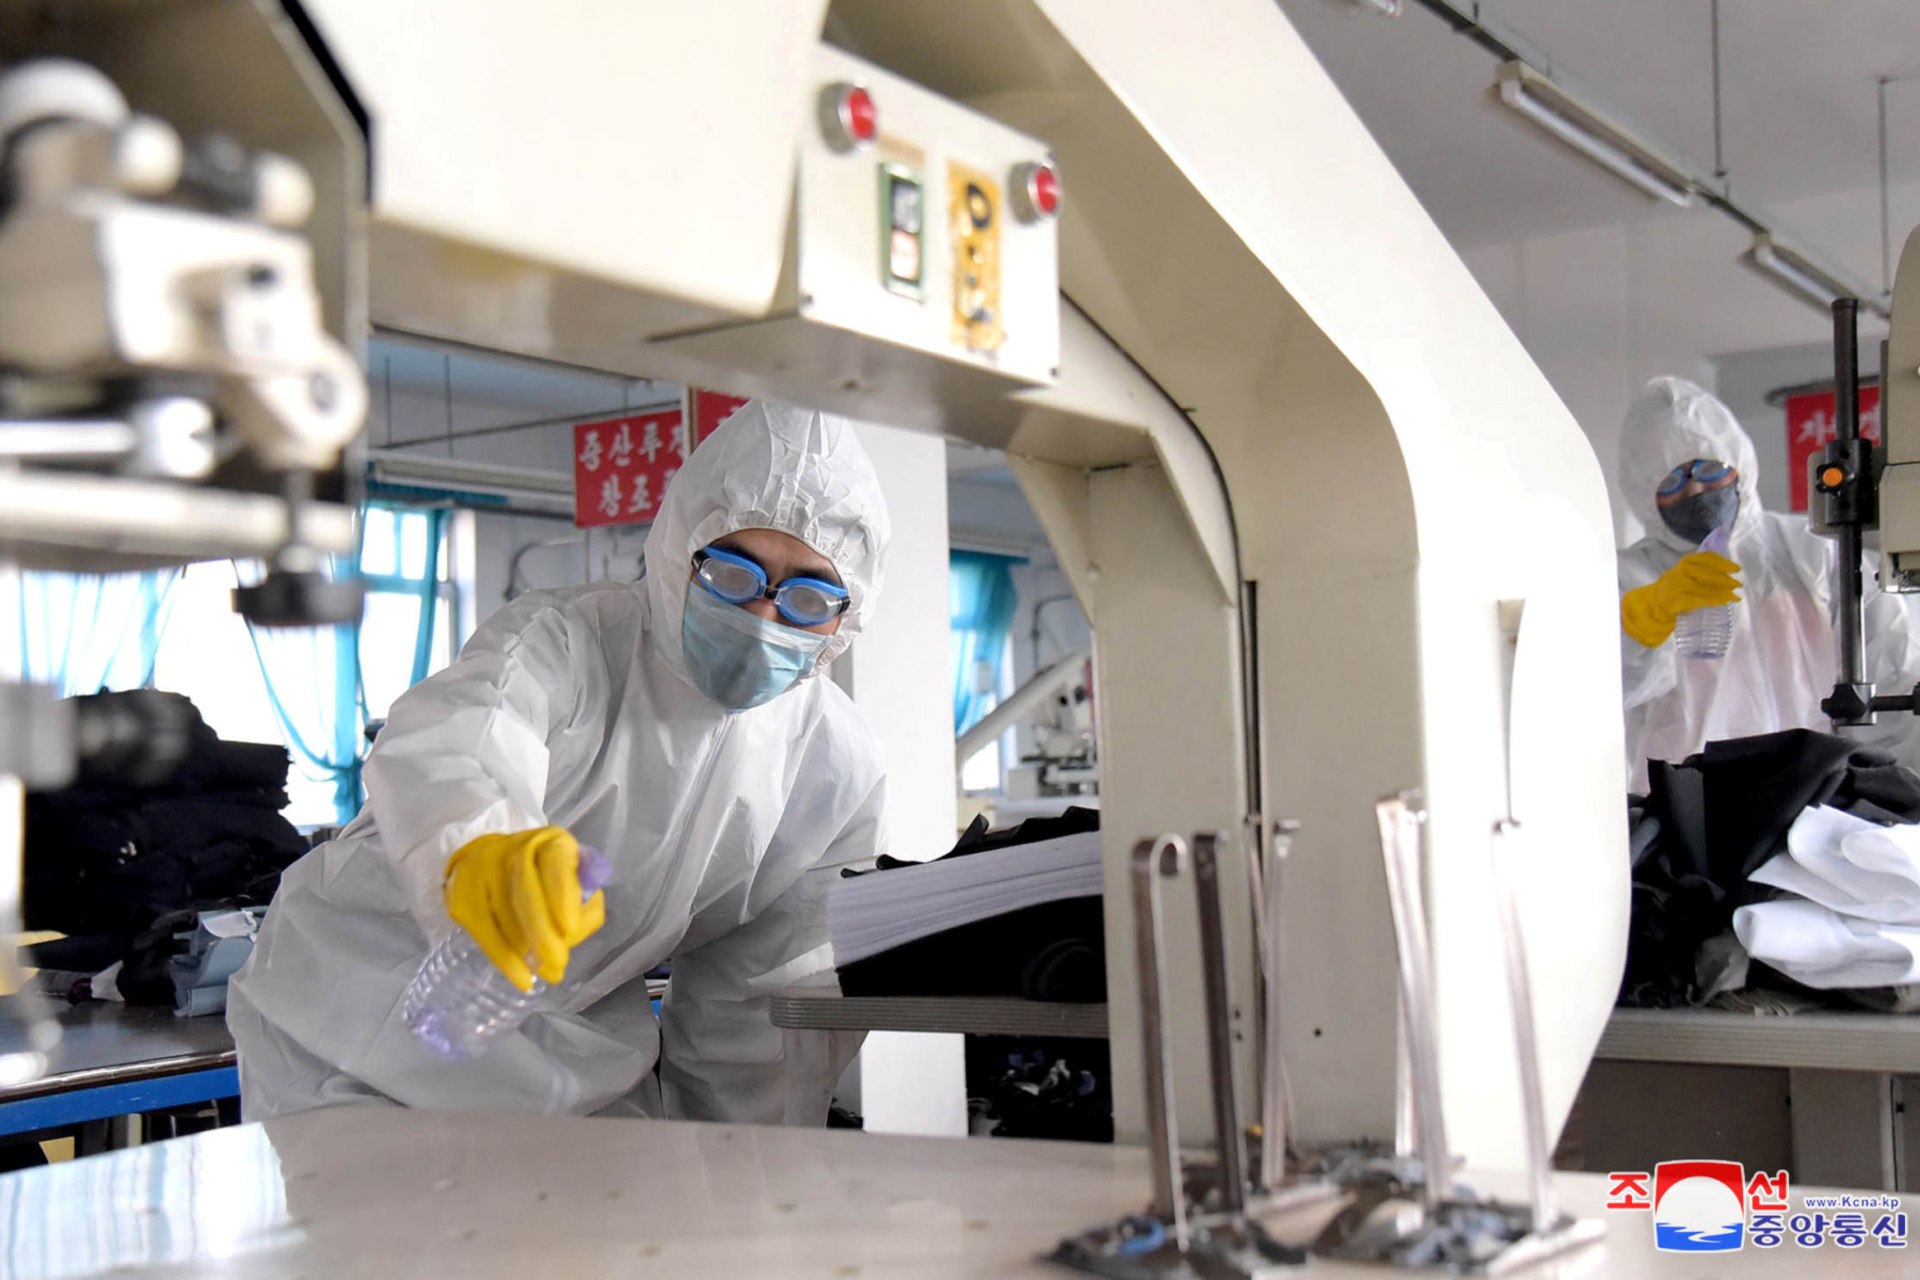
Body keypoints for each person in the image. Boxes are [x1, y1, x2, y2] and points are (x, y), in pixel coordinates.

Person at [227, 401, 891, 1123]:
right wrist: (478, 845)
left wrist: (744, 1174)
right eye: (734, 575)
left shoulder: (832, 766)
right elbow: (459, 740)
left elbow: (760, 1004)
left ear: (846, 614)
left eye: (805, 597)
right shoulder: (569, 642)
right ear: (679, 554)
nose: (762, 619)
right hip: (358, 1018)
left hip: (576, 1057)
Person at [1617, 376, 1920, 790]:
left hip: (1819, 803)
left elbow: (1894, 678)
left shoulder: (1818, 555)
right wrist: (1639, 629)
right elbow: (1588, 698)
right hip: (1684, 817)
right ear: (1641, 492)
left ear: (1738, 462)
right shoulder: (1629, 580)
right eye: (1673, 482)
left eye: (1710, 470)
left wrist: (1896, 795)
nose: (1699, 490)